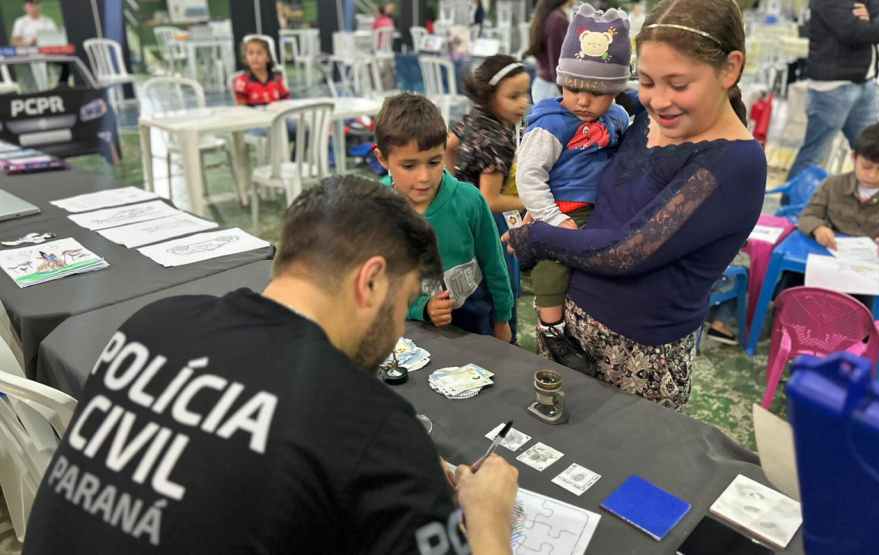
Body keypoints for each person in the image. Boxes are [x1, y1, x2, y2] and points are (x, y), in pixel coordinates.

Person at [23, 175, 520, 554]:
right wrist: (488, 516)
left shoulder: (154, 323)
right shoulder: (371, 427)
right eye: (404, 302)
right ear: (370, 283)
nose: (395, 339)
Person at [504, 0, 766, 410]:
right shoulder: (646, 115)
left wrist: (537, 236)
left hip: (641, 357)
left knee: (624, 466)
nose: (659, 100)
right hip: (568, 325)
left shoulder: (735, 163)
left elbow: (628, 251)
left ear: (730, 69)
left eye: (678, 85)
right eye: (646, 81)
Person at [516, 4, 631, 370]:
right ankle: (552, 331)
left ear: (615, 91)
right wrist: (550, 218)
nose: (583, 101)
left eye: (596, 93)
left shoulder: (618, 118)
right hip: (561, 209)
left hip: (602, 211)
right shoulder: (551, 124)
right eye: (573, 88)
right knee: (552, 269)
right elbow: (528, 176)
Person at [374, 93, 514, 343]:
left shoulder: (470, 200)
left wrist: (502, 319)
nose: (424, 177)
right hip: (415, 335)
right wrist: (422, 309)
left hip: (476, 326)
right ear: (382, 159)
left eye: (434, 162)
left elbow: (495, 264)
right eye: (409, 166)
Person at [446, 54, 531, 342]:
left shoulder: (475, 117)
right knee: (501, 286)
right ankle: (507, 340)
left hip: (465, 217)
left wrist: (453, 184)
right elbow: (490, 200)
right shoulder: (497, 139)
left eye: (526, 93)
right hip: (493, 223)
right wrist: (529, 201)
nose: (524, 102)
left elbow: (449, 144)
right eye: (514, 96)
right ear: (490, 96)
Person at [785, 0, 879, 181]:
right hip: (833, 87)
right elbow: (858, 33)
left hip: (865, 83)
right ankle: (792, 208)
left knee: (874, 154)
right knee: (813, 157)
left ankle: (868, 207)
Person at [799, 121, 879, 257]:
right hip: (829, 255)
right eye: (866, 166)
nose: (872, 175)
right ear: (854, 157)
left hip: (874, 264)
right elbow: (809, 215)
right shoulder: (832, 185)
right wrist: (818, 229)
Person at [527, 0, 576, 103]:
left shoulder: (548, 15)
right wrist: (564, 90)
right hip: (552, 87)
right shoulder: (558, 19)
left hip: (543, 83)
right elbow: (556, 59)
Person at [234, 38, 291, 107]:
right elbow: (241, 110)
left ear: (268, 57)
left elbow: (286, 104)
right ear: (246, 58)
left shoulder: (278, 80)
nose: (255, 57)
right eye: (251, 53)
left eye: (259, 53)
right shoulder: (242, 81)